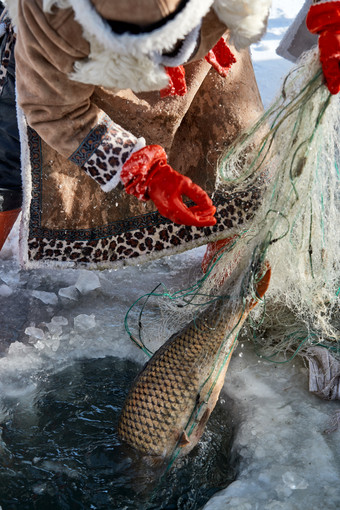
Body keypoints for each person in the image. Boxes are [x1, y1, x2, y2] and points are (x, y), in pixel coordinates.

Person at [2, 0, 272, 267]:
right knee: (10, 152)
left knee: (235, 141)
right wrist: (145, 173)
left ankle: (227, 262)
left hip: (207, 29)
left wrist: (317, 16)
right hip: (72, 45)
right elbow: (51, 107)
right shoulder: (54, 15)